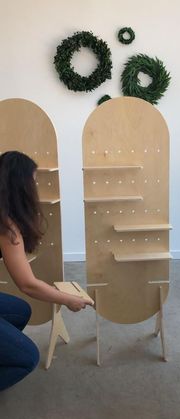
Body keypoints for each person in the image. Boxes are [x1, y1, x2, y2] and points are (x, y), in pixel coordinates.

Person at [0, 151, 93, 391]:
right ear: (20, 185)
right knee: (26, 359)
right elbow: (27, 284)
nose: (36, 187)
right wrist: (69, 300)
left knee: (19, 311)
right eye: (33, 180)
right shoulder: (5, 227)